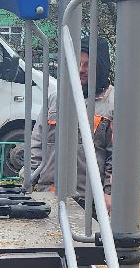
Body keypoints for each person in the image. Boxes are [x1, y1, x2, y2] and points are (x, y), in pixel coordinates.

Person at [30, 36, 114, 199]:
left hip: (88, 199)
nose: (81, 69)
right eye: (78, 63)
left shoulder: (112, 104)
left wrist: (109, 192)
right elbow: (38, 142)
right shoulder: (56, 99)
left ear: (101, 67)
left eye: (88, 64)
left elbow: (116, 155)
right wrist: (30, 179)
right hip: (48, 194)